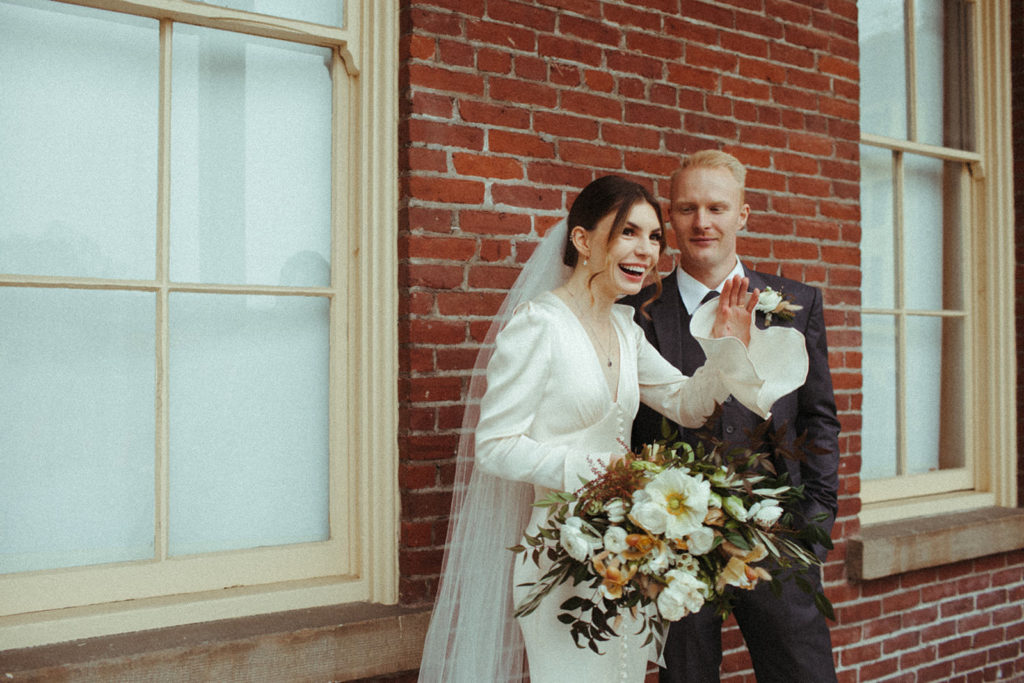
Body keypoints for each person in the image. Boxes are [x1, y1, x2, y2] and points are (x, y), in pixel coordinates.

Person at [417, 175, 810, 682]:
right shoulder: (539, 325)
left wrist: (726, 348)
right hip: (560, 558)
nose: (645, 250)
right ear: (582, 240)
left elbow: (687, 404)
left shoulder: (625, 328)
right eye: (628, 232)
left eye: (652, 237)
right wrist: (604, 469)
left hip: (623, 557)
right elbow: (494, 448)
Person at [624, 150, 840, 683]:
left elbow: (819, 419)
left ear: (742, 214)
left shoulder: (794, 302)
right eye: (687, 208)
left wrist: (813, 523)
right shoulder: (634, 309)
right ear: (669, 218)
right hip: (674, 547)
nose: (702, 222)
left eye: (717, 207)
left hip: (778, 536)